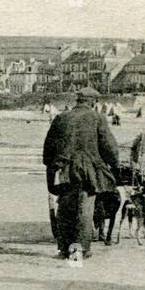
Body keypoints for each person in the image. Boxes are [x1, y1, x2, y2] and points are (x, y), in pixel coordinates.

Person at [42, 86, 120, 262]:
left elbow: (48, 148)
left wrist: (51, 166)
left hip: (62, 171)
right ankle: (80, 251)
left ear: (77, 101)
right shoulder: (97, 118)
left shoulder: (61, 118)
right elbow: (109, 147)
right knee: (84, 208)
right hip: (87, 172)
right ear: (92, 102)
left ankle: (64, 249)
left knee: (65, 207)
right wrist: (115, 166)